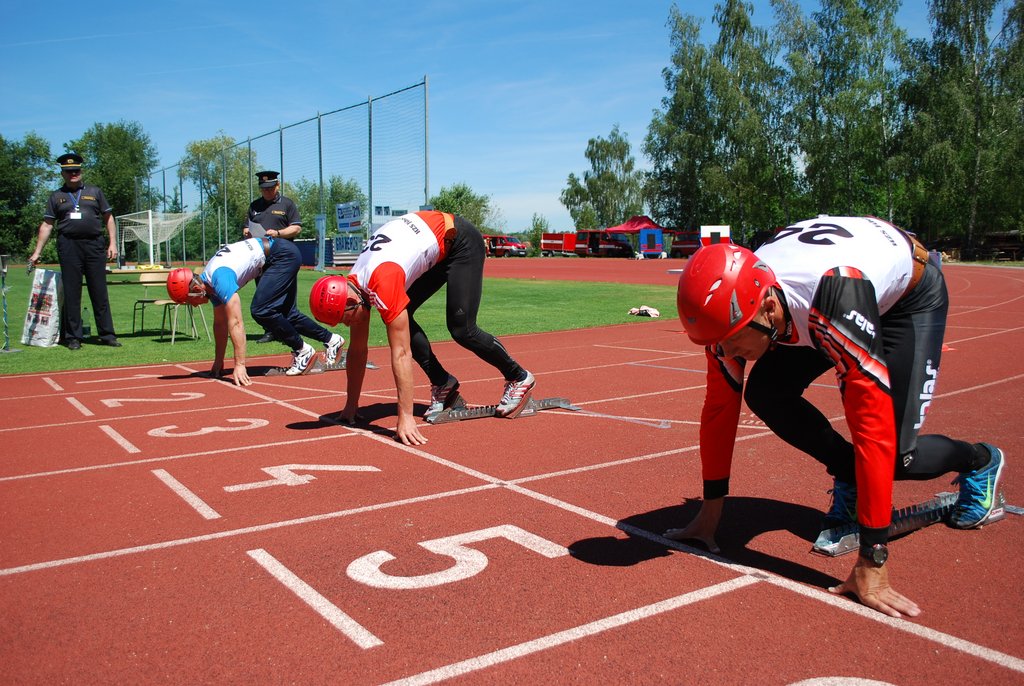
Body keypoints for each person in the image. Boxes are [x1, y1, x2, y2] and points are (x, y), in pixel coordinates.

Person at [670, 216, 1006, 619]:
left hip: (904, 298)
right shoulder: (736, 312)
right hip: (812, 302)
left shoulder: (833, 298)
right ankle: (848, 473)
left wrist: (873, 560)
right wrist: (710, 514)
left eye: (733, 340)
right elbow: (721, 410)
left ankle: (980, 460)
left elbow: (872, 424)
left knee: (897, 456)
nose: (725, 353)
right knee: (765, 391)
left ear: (769, 306)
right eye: (715, 344)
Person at [309, 210, 535, 446]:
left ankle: (519, 377)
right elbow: (357, 351)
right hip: (435, 246)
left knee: (462, 328)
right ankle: (443, 382)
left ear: (350, 302)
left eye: (344, 319)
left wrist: (405, 417)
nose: (347, 324)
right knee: (401, 320)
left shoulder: (381, 281)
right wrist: (351, 405)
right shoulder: (354, 287)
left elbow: (401, 352)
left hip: (460, 241)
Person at [166, 233, 343, 387]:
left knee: (261, 310)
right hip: (279, 255)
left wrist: (240, 364)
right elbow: (220, 324)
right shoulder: (210, 285)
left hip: (281, 255)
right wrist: (219, 361)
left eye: (189, 301)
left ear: (196, 290)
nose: (194, 305)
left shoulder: (219, 277)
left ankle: (302, 350)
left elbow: (235, 322)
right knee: (287, 314)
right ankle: (332, 340)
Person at [27, 153, 120, 349]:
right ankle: (73, 337)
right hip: (69, 246)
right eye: (69, 172)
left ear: (81, 171)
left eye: (76, 170)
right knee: (72, 292)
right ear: (63, 173)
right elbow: (47, 225)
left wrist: (113, 244)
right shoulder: (56, 196)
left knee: (99, 291)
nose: (73, 174)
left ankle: (107, 334)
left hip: (94, 245)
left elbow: (109, 218)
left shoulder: (95, 192)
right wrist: (37, 252)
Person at [245, 170, 301, 344]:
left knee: (287, 297)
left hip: (284, 258)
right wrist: (247, 232)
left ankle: (289, 330)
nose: (267, 191)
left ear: (277, 185)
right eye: (264, 189)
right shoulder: (254, 206)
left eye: (270, 188)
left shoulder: (287, 204)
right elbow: (247, 227)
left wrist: (277, 233)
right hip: (261, 257)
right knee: (264, 293)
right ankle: (270, 330)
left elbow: (296, 228)